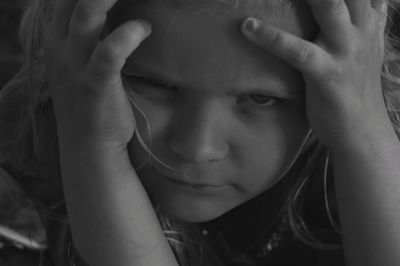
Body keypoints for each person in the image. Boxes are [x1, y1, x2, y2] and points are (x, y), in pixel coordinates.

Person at [1, 0, 400, 265]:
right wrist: (94, 149)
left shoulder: (343, 160)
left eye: (260, 99)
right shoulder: (24, 178)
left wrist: (364, 134)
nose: (197, 148)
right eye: (155, 85)